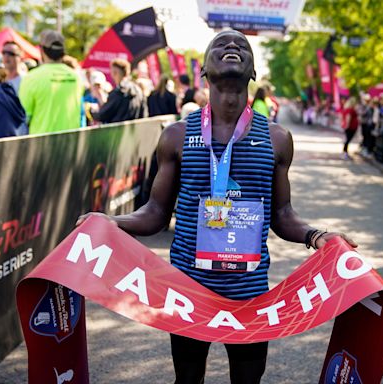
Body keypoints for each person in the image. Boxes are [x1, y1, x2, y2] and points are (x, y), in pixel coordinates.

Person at [77, 30, 356, 384]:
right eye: (220, 45)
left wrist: (319, 236)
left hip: (250, 294)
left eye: (242, 45)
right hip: (189, 291)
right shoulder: (177, 135)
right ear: (204, 72)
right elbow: (156, 213)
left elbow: (283, 216)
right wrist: (110, 221)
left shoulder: (278, 139)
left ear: (253, 71)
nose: (232, 46)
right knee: (188, 380)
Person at [19, 30, 83, 134]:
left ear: (41, 50)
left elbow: (23, 118)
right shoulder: (77, 77)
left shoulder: (31, 77)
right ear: (63, 51)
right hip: (70, 144)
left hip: (41, 145)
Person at [91, 58, 147, 124]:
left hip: (119, 133)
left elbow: (102, 115)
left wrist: (91, 110)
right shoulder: (139, 90)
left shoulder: (118, 92)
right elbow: (144, 115)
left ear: (115, 73)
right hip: (136, 132)